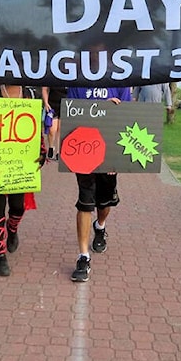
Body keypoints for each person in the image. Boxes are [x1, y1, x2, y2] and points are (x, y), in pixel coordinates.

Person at [65, 85, 132, 282]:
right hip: (84, 149)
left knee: (104, 203)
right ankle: (83, 257)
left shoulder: (120, 79)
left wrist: (118, 158)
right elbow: (72, 112)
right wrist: (100, 107)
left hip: (109, 153)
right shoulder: (78, 79)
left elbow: (126, 117)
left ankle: (100, 226)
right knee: (85, 202)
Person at [0, 83, 41, 276]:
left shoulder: (31, 94)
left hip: (21, 163)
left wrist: (41, 151)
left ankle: (12, 230)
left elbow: (37, 127)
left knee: (18, 206)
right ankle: (0, 254)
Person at [41, 86, 68, 159]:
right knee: (52, 129)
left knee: (61, 129)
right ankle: (51, 146)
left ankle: (59, 151)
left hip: (66, 103)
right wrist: (46, 103)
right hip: (52, 104)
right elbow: (44, 88)